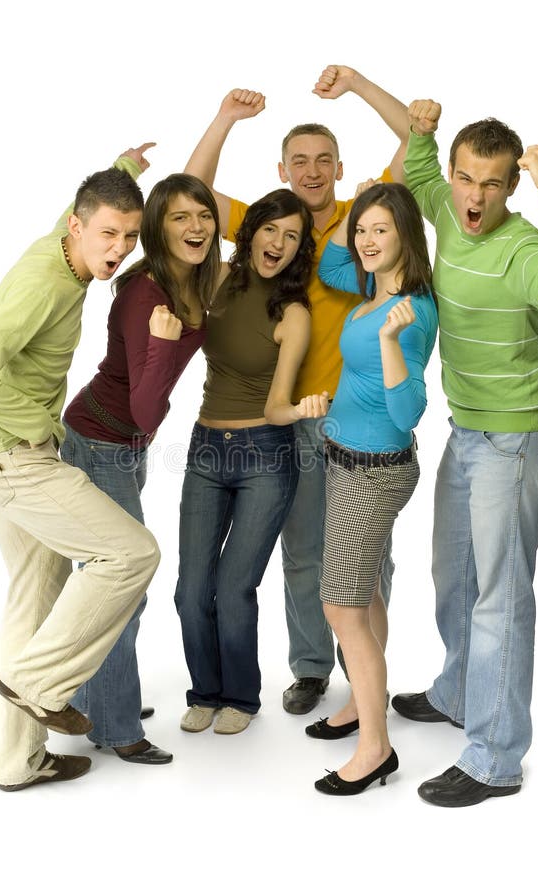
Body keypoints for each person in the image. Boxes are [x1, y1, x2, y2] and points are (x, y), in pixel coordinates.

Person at [185, 65, 411, 716]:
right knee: (304, 549)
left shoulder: (362, 217)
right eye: (299, 161)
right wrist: (225, 118)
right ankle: (311, 668)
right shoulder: (268, 224)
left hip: (361, 419)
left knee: (369, 560)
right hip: (291, 418)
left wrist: (362, 85)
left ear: (339, 168)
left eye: (323, 161)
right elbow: (190, 192)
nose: (312, 171)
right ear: (284, 170)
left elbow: (416, 145)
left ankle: (363, 668)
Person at [0, 143, 162, 792]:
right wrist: (38, 425)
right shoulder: (43, 284)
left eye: (128, 236)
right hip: (15, 460)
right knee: (131, 555)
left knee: (32, 606)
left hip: (4, 458)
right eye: (107, 234)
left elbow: (98, 205)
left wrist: (125, 170)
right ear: (77, 224)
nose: (118, 249)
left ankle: (19, 761)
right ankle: (37, 682)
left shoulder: (66, 246)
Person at [391, 99, 538, 806]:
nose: (476, 196)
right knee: (455, 574)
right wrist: (419, 127)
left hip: (520, 433)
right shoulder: (445, 210)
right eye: (467, 179)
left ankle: (495, 757)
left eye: (492, 183)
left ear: (511, 187)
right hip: (467, 428)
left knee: (500, 595)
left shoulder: (528, 245)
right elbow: (416, 168)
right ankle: (456, 692)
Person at [59, 174, 221, 766]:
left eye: (203, 215)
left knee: (108, 584)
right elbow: (145, 405)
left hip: (126, 448)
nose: (195, 226)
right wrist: (159, 344)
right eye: (179, 217)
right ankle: (117, 727)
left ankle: (96, 697)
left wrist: (226, 119)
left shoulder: (195, 279)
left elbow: (145, 417)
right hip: (100, 442)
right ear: (157, 227)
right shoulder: (145, 296)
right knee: (123, 588)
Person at [175, 188, 327, 735]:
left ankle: (240, 697)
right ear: (250, 230)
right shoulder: (217, 277)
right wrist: (225, 120)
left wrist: (305, 408)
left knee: (234, 585)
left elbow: (276, 405)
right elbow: (188, 195)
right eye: (271, 230)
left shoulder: (292, 313)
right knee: (191, 587)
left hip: (265, 453)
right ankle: (204, 691)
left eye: (293, 236)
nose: (279, 243)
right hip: (205, 450)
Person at [307, 182, 437, 795]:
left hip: (375, 471)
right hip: (343, 460)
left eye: (381, 229)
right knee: (365, 592)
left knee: (341, 604)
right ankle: (366, 700)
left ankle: (375, 749)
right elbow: (331, 261)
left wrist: (388, 340)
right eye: (362, 229)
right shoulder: (368, 284)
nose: (364, 240)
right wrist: (358, 207)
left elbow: (408, 409)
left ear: (407, 234)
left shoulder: (411, 310)